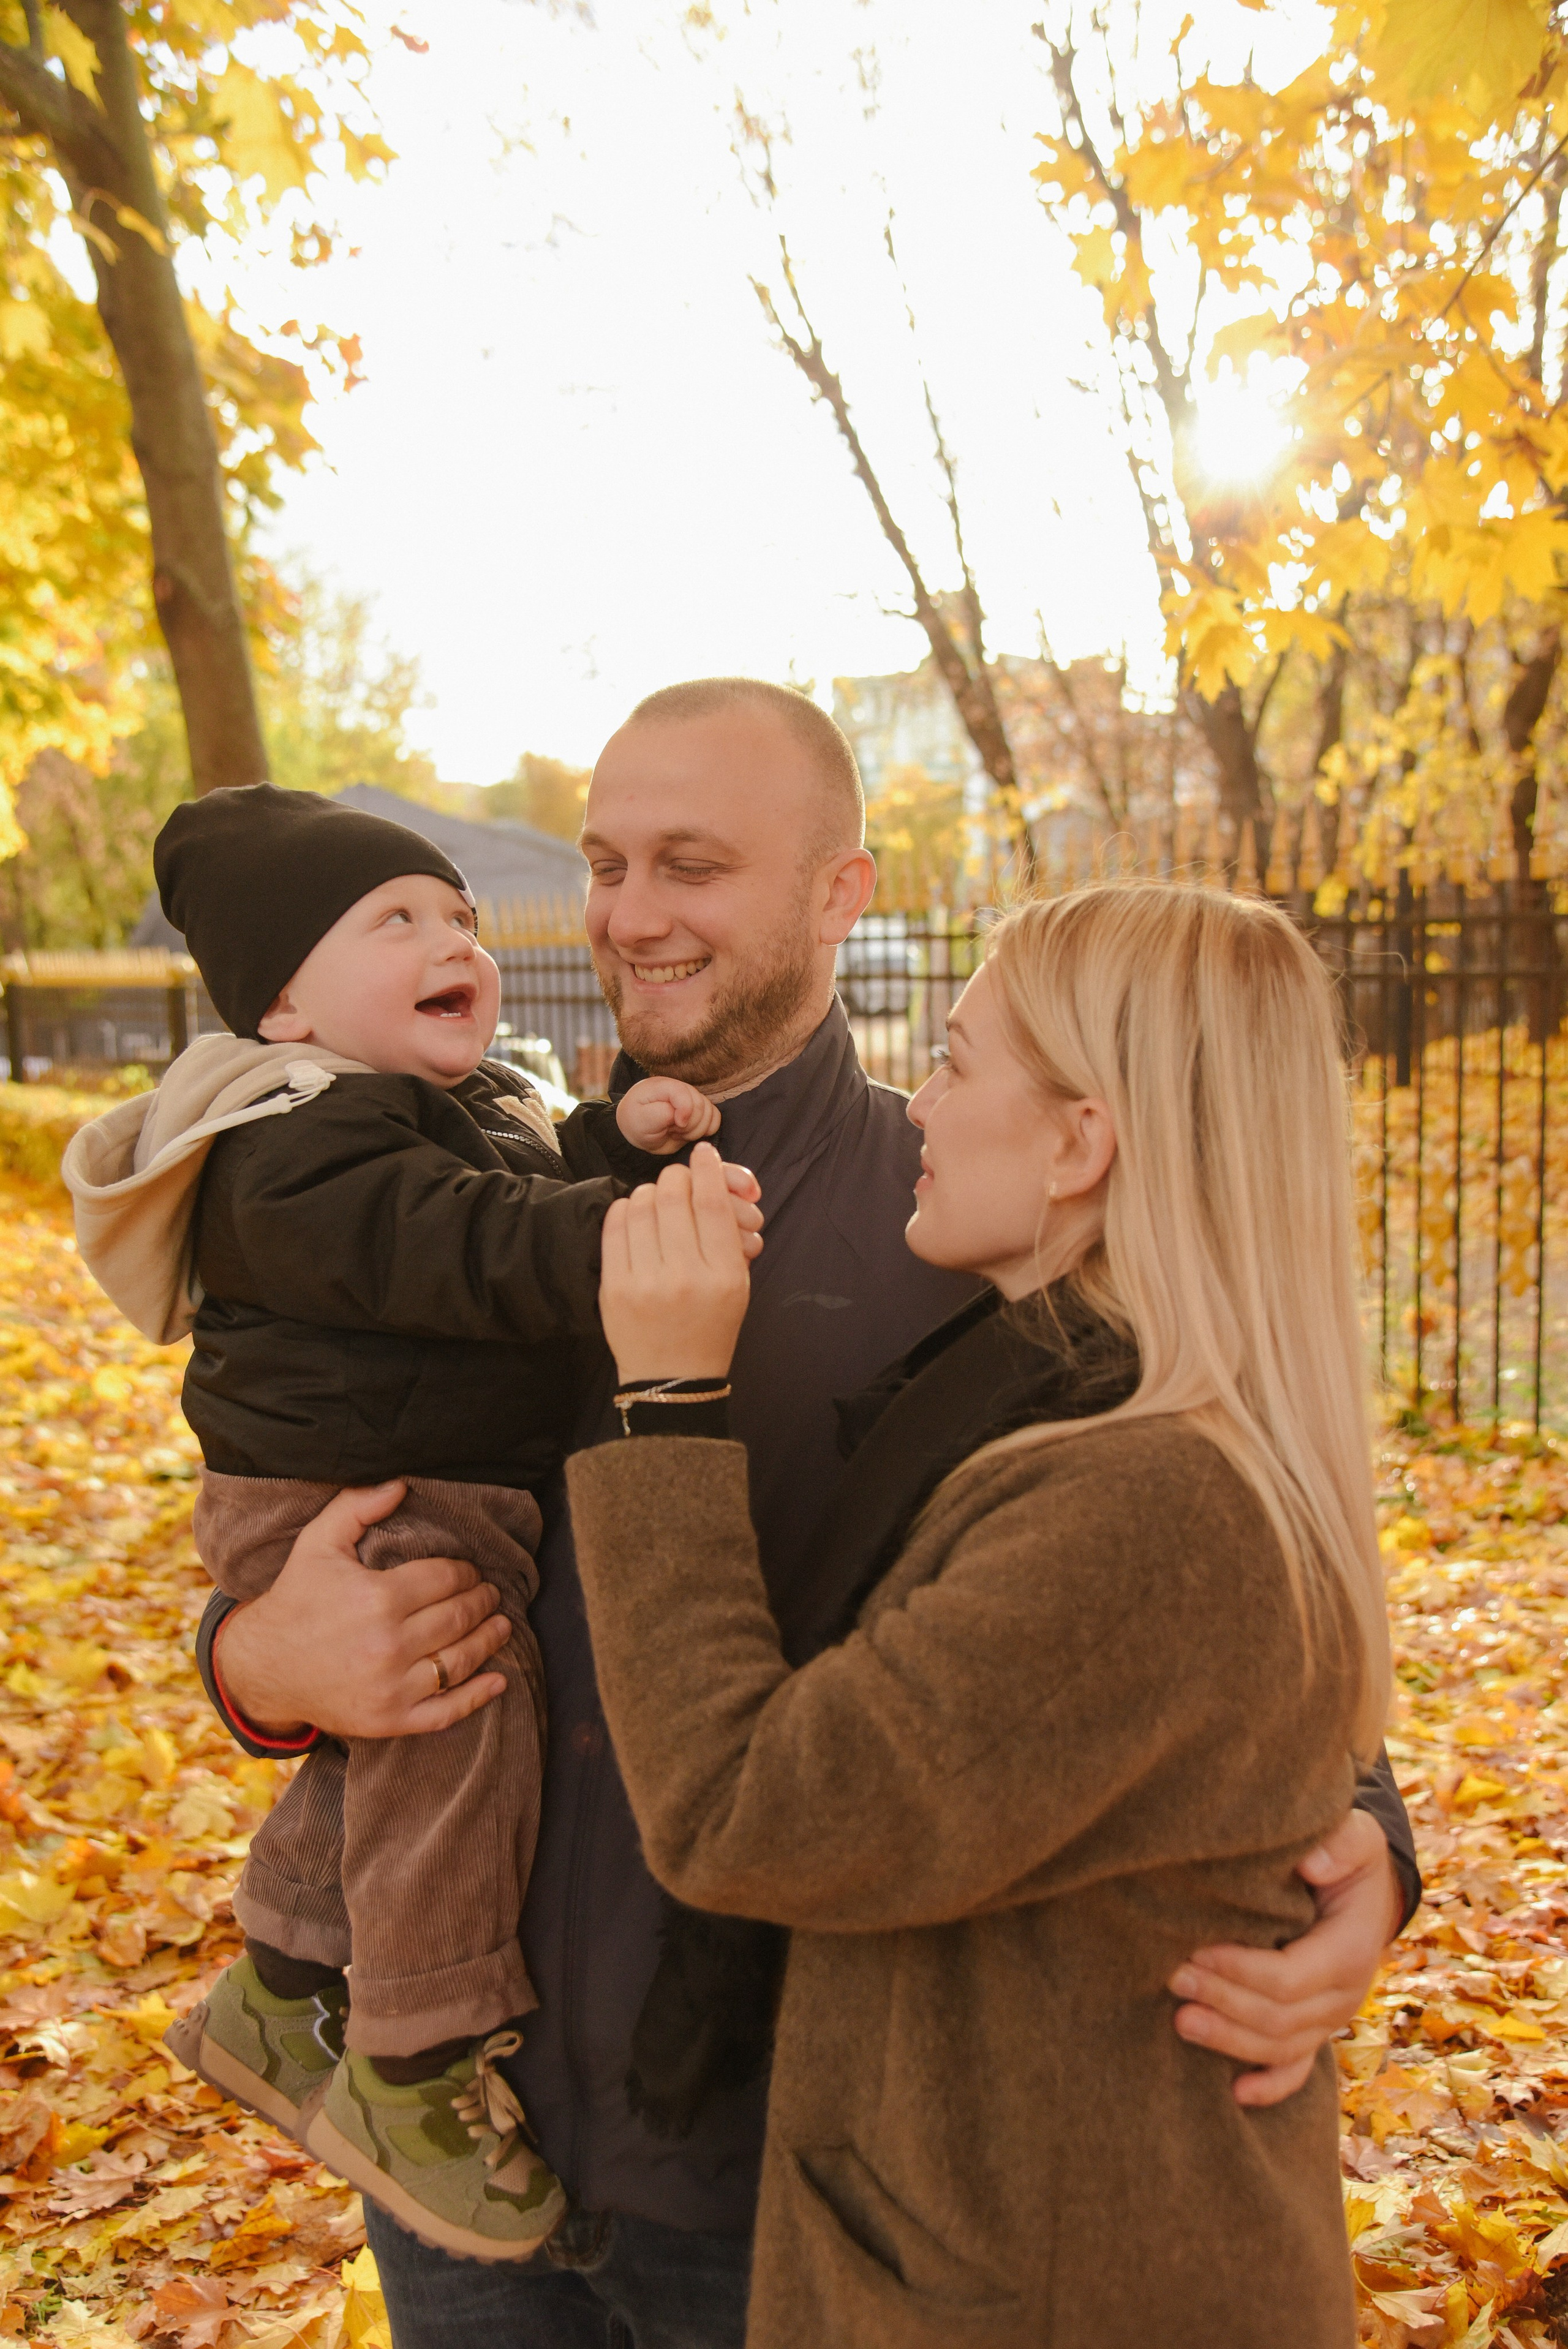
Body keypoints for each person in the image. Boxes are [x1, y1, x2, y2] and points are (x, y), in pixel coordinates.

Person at [198, 682, 1419, 2348]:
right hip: (454, 2126)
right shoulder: (443, 1186)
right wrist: (258, 1661)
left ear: (839, 891)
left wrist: (1364, 1841)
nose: (631, 914)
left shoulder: (957, 1222)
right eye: (605, 861)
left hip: (780, 2162)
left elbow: (1190, 1544)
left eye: (691, 865)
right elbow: (278, 1484)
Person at [570, 883, 1391, 2348]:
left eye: (954, 1060)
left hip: (1042, 2290)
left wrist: (667, 1402)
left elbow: (741, 1814)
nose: (922, 1105)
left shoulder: (1145, 1502)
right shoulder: (1070, 1398)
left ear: (1082, 1140)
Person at [62, 783, 760, 2265]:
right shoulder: (290, 1145)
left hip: (413, 1476)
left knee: (414, 1726)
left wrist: (612, 1139)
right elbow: (454, 1241)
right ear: (285, 1007)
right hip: (347, 1492)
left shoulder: (460, 1103)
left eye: (457, 913)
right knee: (457, 1714)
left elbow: (519, 1174)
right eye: (396, 920)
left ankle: (280, 1977)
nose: (455, 935)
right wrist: (624, 1229)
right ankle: (415, 2062)